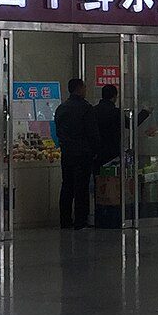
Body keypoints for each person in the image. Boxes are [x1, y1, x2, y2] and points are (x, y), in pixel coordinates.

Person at [53, 78, 98, 229]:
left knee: (67, 186)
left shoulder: (61, 108)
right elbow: (92, 133)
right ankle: (80, 220)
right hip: (83, 153)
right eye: (84, 87)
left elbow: (58, 130)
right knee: (81, 187)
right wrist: (94, 150)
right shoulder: (86, 108)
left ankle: (64, 220)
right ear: (80, 88)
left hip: (67, 153)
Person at [92, 83, 122, 225]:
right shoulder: (115, 112)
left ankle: (99, 215)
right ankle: (113, 216)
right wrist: (146, 112)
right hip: (113, 154)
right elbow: (130, 123)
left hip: (96, 154)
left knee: (99, 185)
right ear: (114, 97)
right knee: (113, 186)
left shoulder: (93, 111)